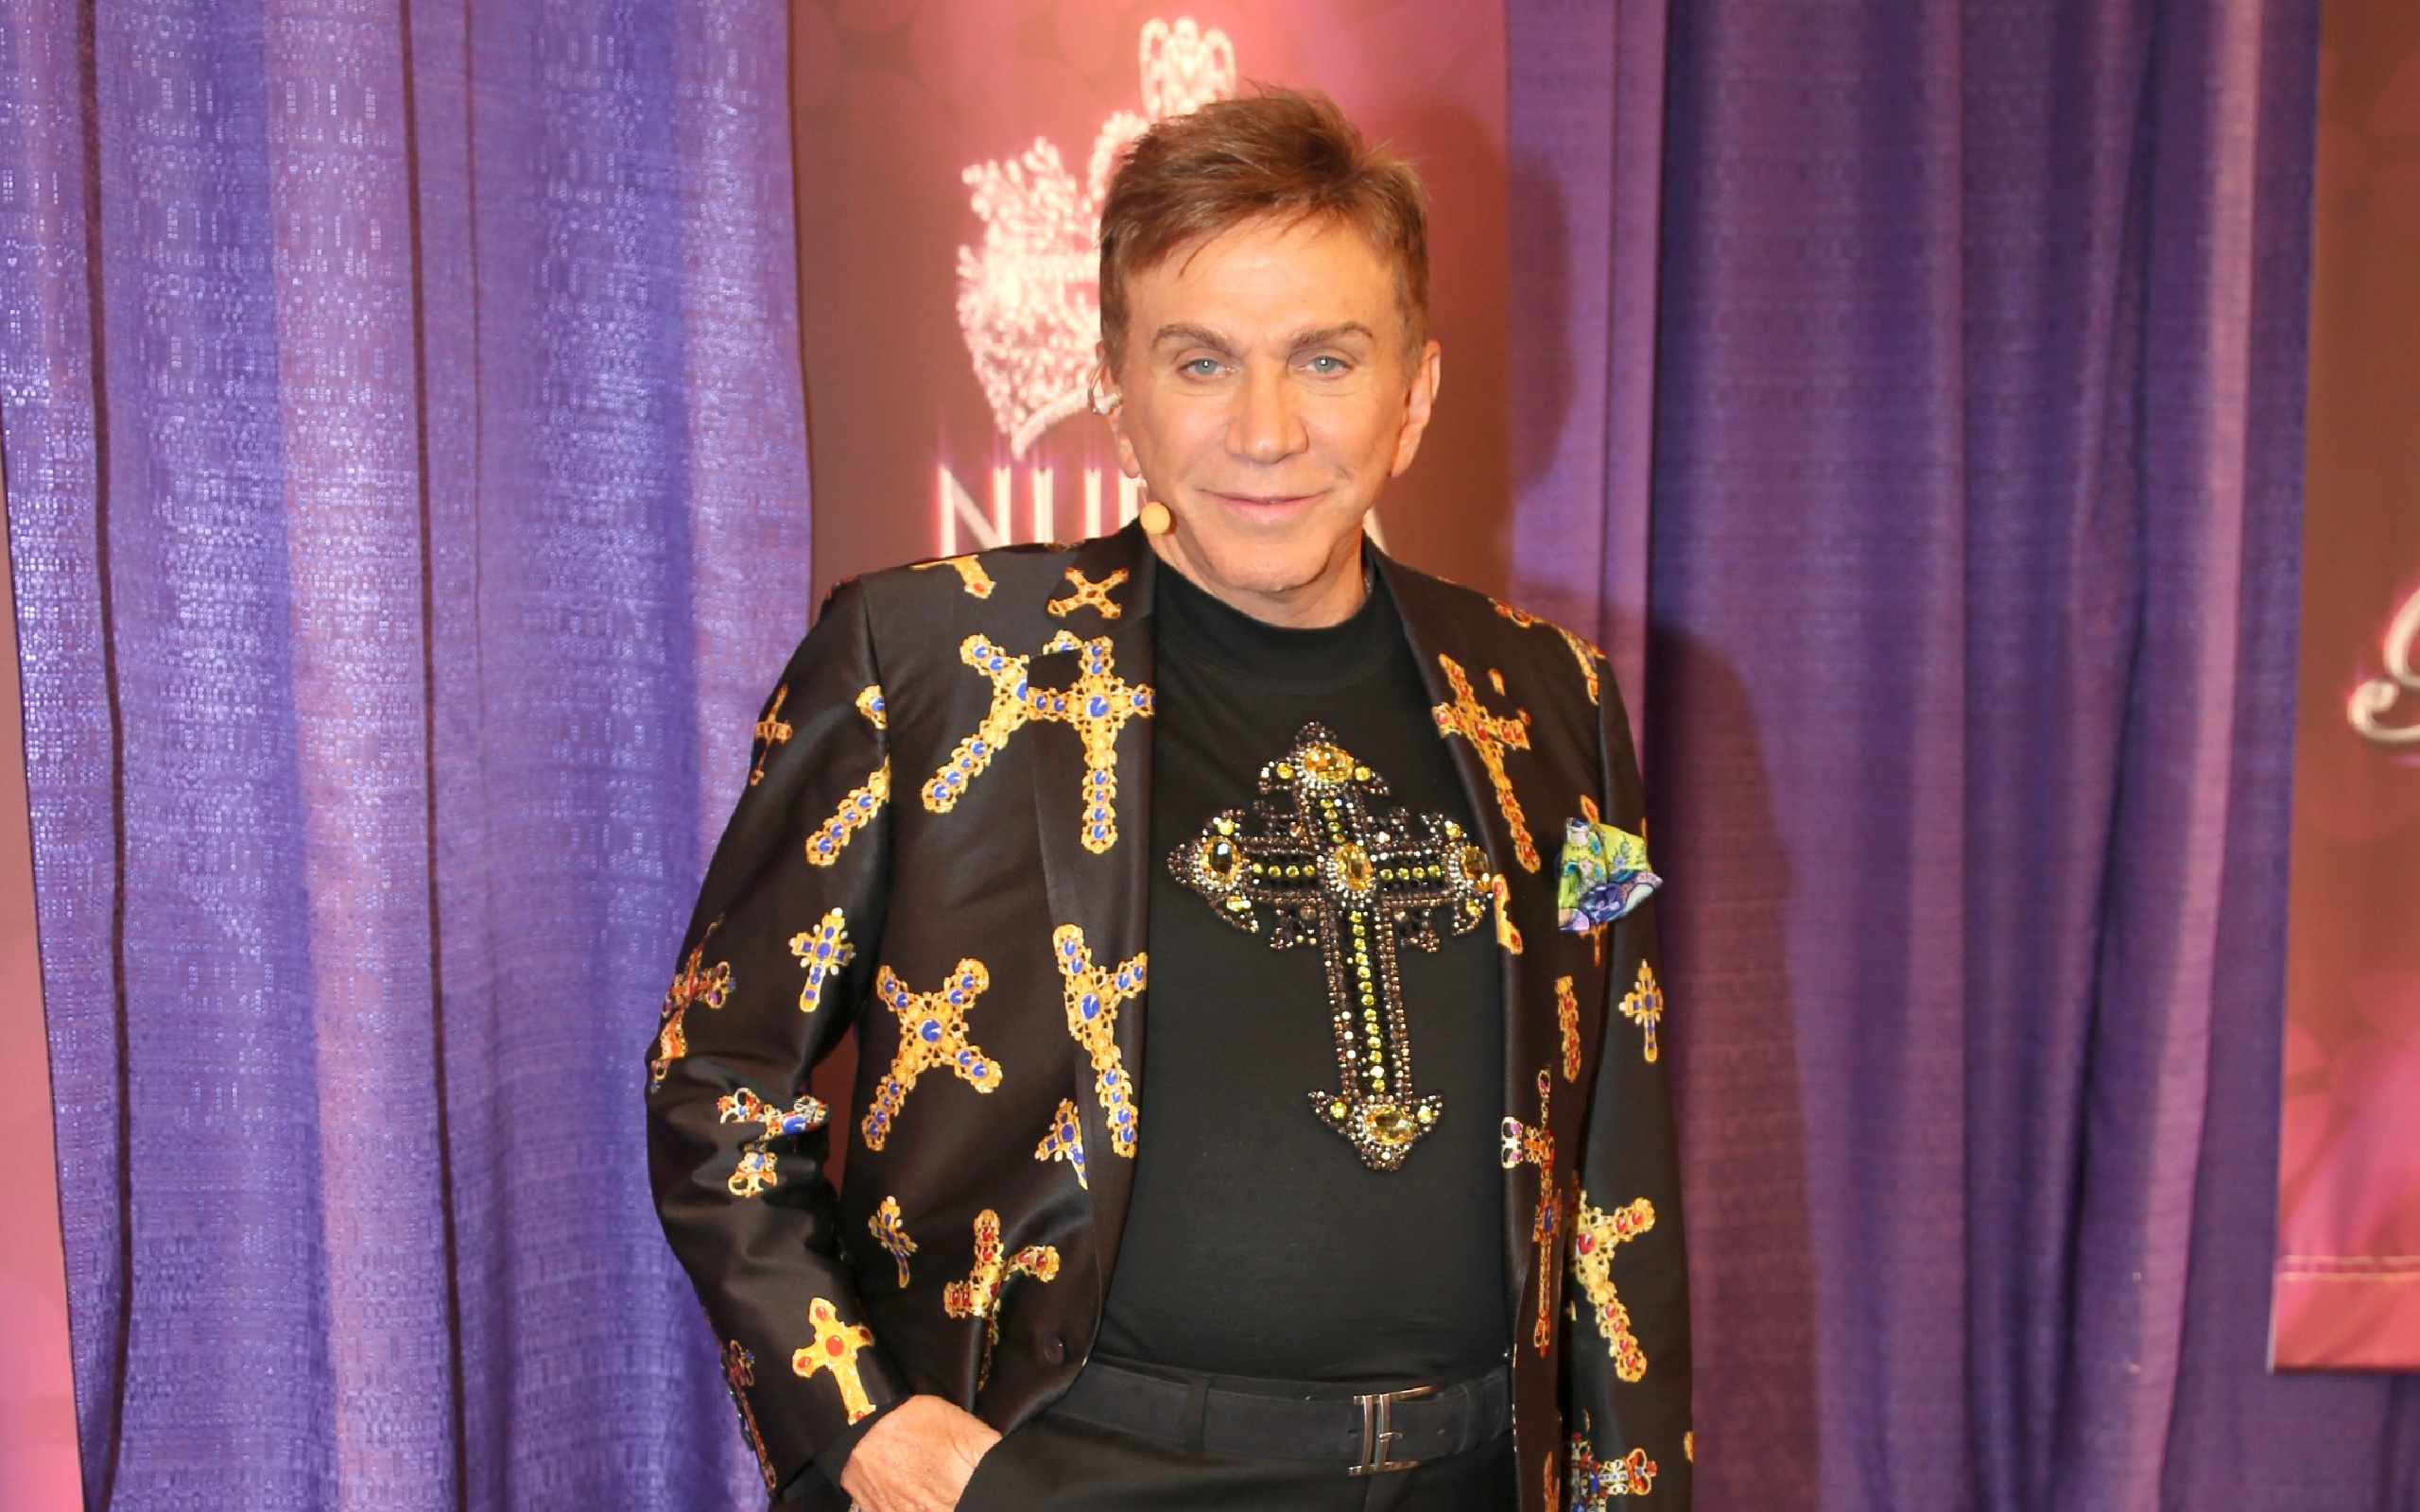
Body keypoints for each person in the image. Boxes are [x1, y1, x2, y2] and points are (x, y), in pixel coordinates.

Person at [647, 87, 1689, 1512]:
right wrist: (862, 1428)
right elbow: (715, 1082)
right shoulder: (922, 662)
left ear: (1415, 393)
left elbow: (1620, 1134)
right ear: (1115, 390)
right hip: (1067, 1478)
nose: (1265, 430)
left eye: (1326, 359)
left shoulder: (1561, 708)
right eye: (1201, 362)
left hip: (1469, 1478)